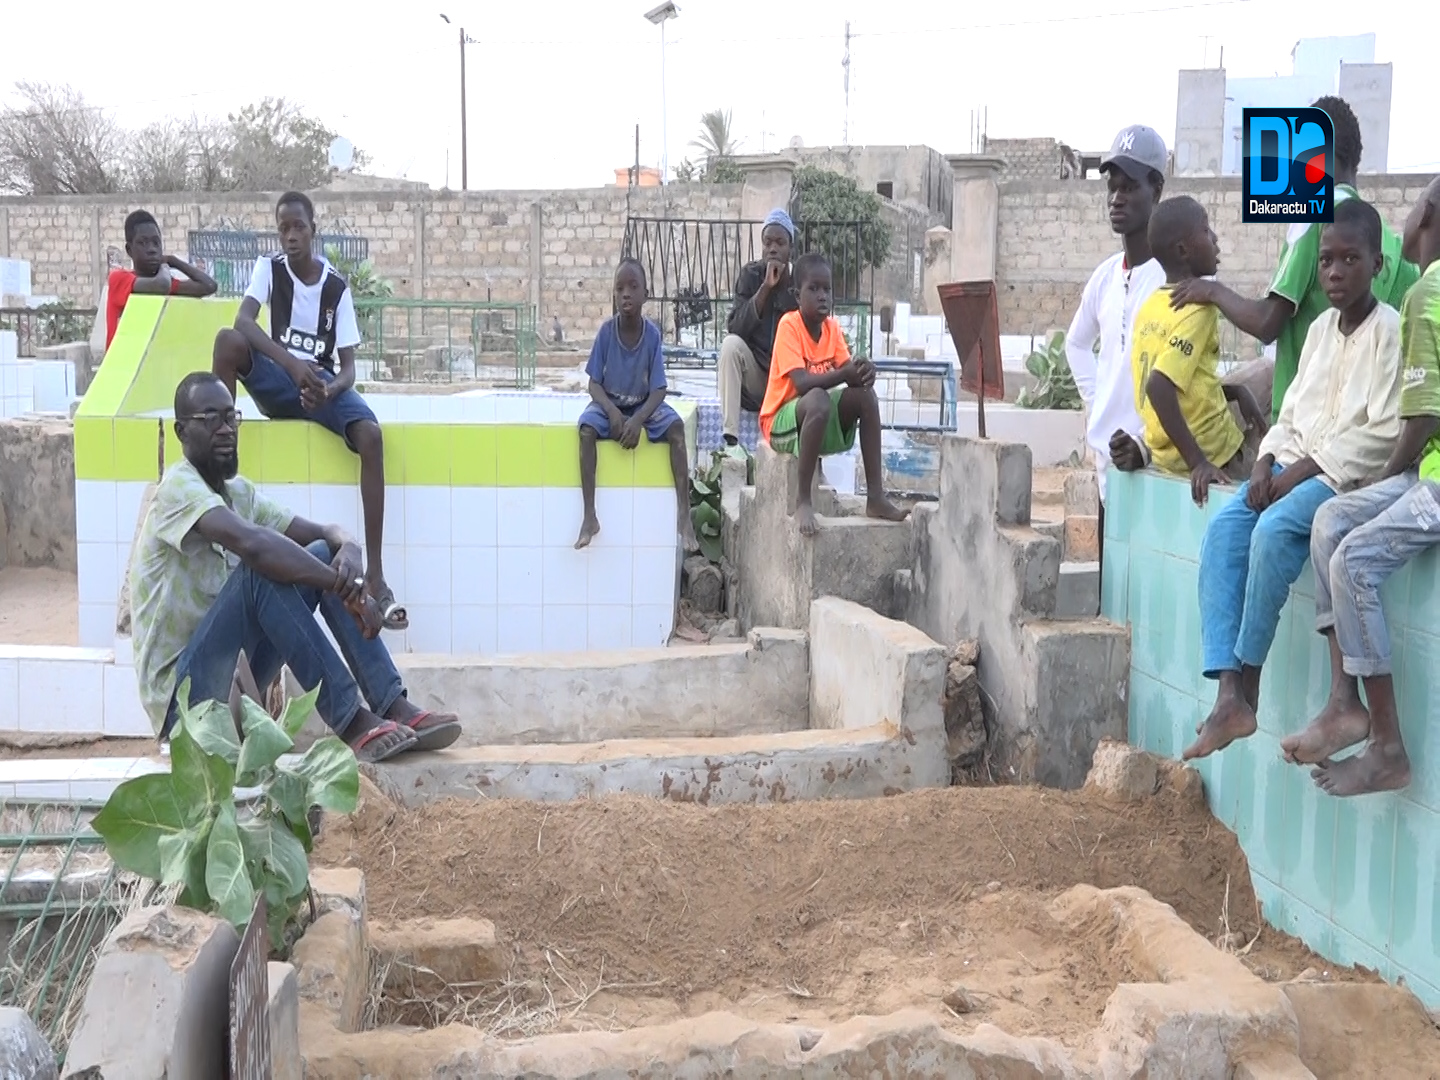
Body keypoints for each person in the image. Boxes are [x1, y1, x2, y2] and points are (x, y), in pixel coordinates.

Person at [129, 372, 462, 764]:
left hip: (237, 685)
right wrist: (343, 586)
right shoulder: (177, 489)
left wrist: (350, 550)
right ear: (182, 431)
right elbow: (254, 545)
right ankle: (351, 720)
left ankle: (390, 703)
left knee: (318, 553)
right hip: (185, 704)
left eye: (231, 417)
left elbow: (325, 534)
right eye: (210, 420)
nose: (226, 430)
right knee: (263, 570)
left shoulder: (239, 494)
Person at [1184, 199, 1403, 762]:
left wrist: (1303, 469)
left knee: (1274, 529)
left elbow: (1381, 435)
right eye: (1326, 260)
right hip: (1290, 464)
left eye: (1349, 260)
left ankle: (1248, 685)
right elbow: (1292, 413)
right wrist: (1264, 461)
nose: (1333, 272)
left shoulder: (1390, 332)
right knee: (1227, 529)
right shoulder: (1320, 332)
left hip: (1342, 478)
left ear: (1377, 264)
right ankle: (1229, 694)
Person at [1280, 177, 1440, 796]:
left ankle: (1388, 745)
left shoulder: (1426, 293)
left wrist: (1381, 472)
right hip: (1424, 470)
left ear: (1423, 220)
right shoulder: (1332, 330)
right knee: (1331, 520)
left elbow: (1422, 416)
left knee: (1354, 558)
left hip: (1429, 476)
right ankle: (1343, 701)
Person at [211, 192, 405, 631]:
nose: (291, 236)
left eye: (298, 227)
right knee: (227, 341)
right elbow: (244, 323)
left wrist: (326, 387)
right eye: (284, 228)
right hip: (281, 379)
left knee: (371, 437)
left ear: (313, 229)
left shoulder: (336, 286)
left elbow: (350, 367)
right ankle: (221, 458)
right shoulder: (269, 269)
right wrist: (292, 365)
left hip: (320, 387)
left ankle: (375, 574)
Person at [1170, 95, 1417, 420]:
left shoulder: (1315, 213)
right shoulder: (1386, 239)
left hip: (1305, 424)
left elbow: (1267, 323)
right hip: (1363, 426)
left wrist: (1212, 291)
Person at [1120, 196, 1269, 506]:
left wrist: (1236, 391)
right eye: (1206, 230)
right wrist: (1199, 462)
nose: (1215, 240)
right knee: (1275, 460)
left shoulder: (1150, 307)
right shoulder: (1198, 309)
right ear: (1183, 250)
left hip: (1164, 452)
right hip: (1217, 452)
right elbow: (1159, 385)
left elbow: (1184, 383)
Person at [758, 253, 909, 536]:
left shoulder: (832, 329)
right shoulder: (789, 326)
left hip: (813, 417)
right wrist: (844, 374)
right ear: (796, 295)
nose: (822, 296)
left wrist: (864, 372)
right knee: (817, 397)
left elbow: (848, 371)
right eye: (813, 289)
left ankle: (875, 496)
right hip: (780, 422)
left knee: (865, 396)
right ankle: (804, 499)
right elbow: (802, 384)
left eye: (827, 289)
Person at [1065, 124, 1168, 529]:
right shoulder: (1106, 277)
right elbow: (1076, 344)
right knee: (1111, 588)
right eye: (1112, 187)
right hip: (1110, 464)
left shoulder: (1172, 277)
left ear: (1156, 189)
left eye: (1129, 187)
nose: (1116, 198)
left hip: (1156, 464)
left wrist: (1146, 439)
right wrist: (1097, 404)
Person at [574, 259, 697, 553]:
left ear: (646, 294)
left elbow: (659, 390)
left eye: (633, 287)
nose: (626, 293)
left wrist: (639, 419)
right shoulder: (606, 332)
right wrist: (613, 412)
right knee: (586, 430)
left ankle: (684, 515)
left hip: (644, 405)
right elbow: (593, 384)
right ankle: (589, 515)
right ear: (614, 296)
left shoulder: (652, 335)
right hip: (611, 404)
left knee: (677, 429)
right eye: (619, 289)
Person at [720, 209, 800, 446]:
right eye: (768, 243)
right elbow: (735, 327)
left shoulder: (800, 280)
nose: (773, 249)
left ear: (790, 248)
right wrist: (765, 289)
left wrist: (784, 287)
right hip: (757, 377)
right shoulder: (750, 274)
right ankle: (731, 437)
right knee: (730, 345)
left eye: (780, 242)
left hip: (789, 380)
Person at [106, 210, 217, 351]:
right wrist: (165, 265)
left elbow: (209, 286)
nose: (152, 249)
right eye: (143, 243)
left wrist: (174, 261)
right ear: (129, 250)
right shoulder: (119, 278)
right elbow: (161, 285)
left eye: (156, 243)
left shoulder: (164, 281)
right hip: (119, 366)